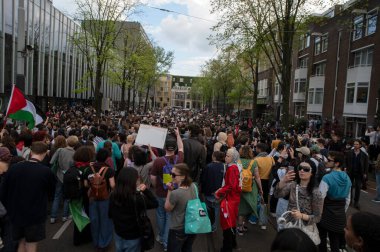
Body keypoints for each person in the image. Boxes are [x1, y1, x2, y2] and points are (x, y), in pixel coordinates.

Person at [0, 142, 55, 252]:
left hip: (16, 214)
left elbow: (3, 192)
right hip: (35, 215)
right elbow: (51, 193)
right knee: (31, 245)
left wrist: (10, 209)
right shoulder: (46, 171)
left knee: (21, 242)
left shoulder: (14, 168)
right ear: (45, 153)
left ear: (30, 152)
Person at [109, 167, 158, 252]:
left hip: (118, 233)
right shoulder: (138, 198)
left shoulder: (113, 195)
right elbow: (155, 203)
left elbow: (110, 214)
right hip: (133, 236)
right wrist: (146, 190)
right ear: (133, 181)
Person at [274, 160, 323, 244]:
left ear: (312, 173)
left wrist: (302, 216)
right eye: (300, 168)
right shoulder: (293, 185)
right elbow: (277, 195)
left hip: (304, 230)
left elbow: (317, 217)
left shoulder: (316, 192)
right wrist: (283, 181)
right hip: (290, 226)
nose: (302, 170)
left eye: (306, 169)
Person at [150, 128, 184, 251]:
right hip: (174, 192)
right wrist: (178, 134)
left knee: (160, 215)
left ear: (164, 147)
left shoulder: (158, 161)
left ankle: (161, 236)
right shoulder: (179, 159)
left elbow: (153, 178)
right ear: (174, 148)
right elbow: (181, 147)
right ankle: (166, 240)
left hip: (160, 192)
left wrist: (156, 186)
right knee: (170, 216)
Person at [318, 151, 351, 252]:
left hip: (325, 213)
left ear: (337, 163)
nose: (326, 162)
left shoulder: (327, 177)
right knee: (335, 242)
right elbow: (347, 199)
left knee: (322, 239)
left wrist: (318, 214)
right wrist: (342, 211)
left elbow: (320, 198)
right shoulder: (348, 179)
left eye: (329, 160)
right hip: (340, 215)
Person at [83, 148, 116, 251]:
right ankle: (103, 243)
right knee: (105, 220)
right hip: (105, 198)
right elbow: (112, 185)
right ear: (107, 158)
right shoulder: (109, 170)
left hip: (92, 198)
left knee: (94, 220)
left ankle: (96, 242)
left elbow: (85, 184)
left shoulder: (88, 169)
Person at [165, 163, 197, 252]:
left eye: (174, 175)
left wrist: (169, 190)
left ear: (183, 177)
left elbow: (167, 208)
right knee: (187, 248)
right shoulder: (193, 186)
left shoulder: (176, 193)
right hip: (191, 225)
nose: (171, 176)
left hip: (177, 229)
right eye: (171, 173)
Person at [215, 148, 242, 252]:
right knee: (231, 223)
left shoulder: (232, 168)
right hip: (233, 199)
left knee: (227, 224)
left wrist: (219, 192)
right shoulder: (234, 167)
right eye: (226, 155)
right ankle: (232, 244)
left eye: (228, 156)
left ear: (233, 158)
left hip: (230, 200)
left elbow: (230, 186)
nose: (225, 157)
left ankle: (227, 248)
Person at [50, 135, 79, 223]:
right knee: (67, 197)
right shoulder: (75, 153)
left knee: (57, 196)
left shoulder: (60, 150)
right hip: (69, 177)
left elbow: (51, 161)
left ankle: (53, 217)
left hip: (59, 175)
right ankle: (64, 216)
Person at [237, 146, 263, 235]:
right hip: (251, 188)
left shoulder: (238, 161)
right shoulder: (254, 162)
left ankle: (239, 227)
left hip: (239, 187)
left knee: (241, 208)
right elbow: (257, 177)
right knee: (249, 206)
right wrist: (261, 188)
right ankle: (244, 225)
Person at [201, 151, 225, 231]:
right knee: (216, 209)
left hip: (208, 191)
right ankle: (214, 226)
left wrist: (202, 190)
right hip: (219, 192)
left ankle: (207, 223)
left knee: (207, 208)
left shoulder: (208, 166)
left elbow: (203, 179)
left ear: (213, 156)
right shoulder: (224, 166)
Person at [345, 139, 369, 210]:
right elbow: (345, 161)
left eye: (357, 144)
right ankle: (350, 201)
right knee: (350, 187)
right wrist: (345, 167)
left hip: (359, 173)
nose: (355, 145)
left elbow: (366, 165)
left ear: (360, 145)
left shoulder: (364, 155)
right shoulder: (349, 152)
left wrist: (365, 173)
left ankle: (356, 202)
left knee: (358, 187)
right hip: (350, 172)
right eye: (354, 144)